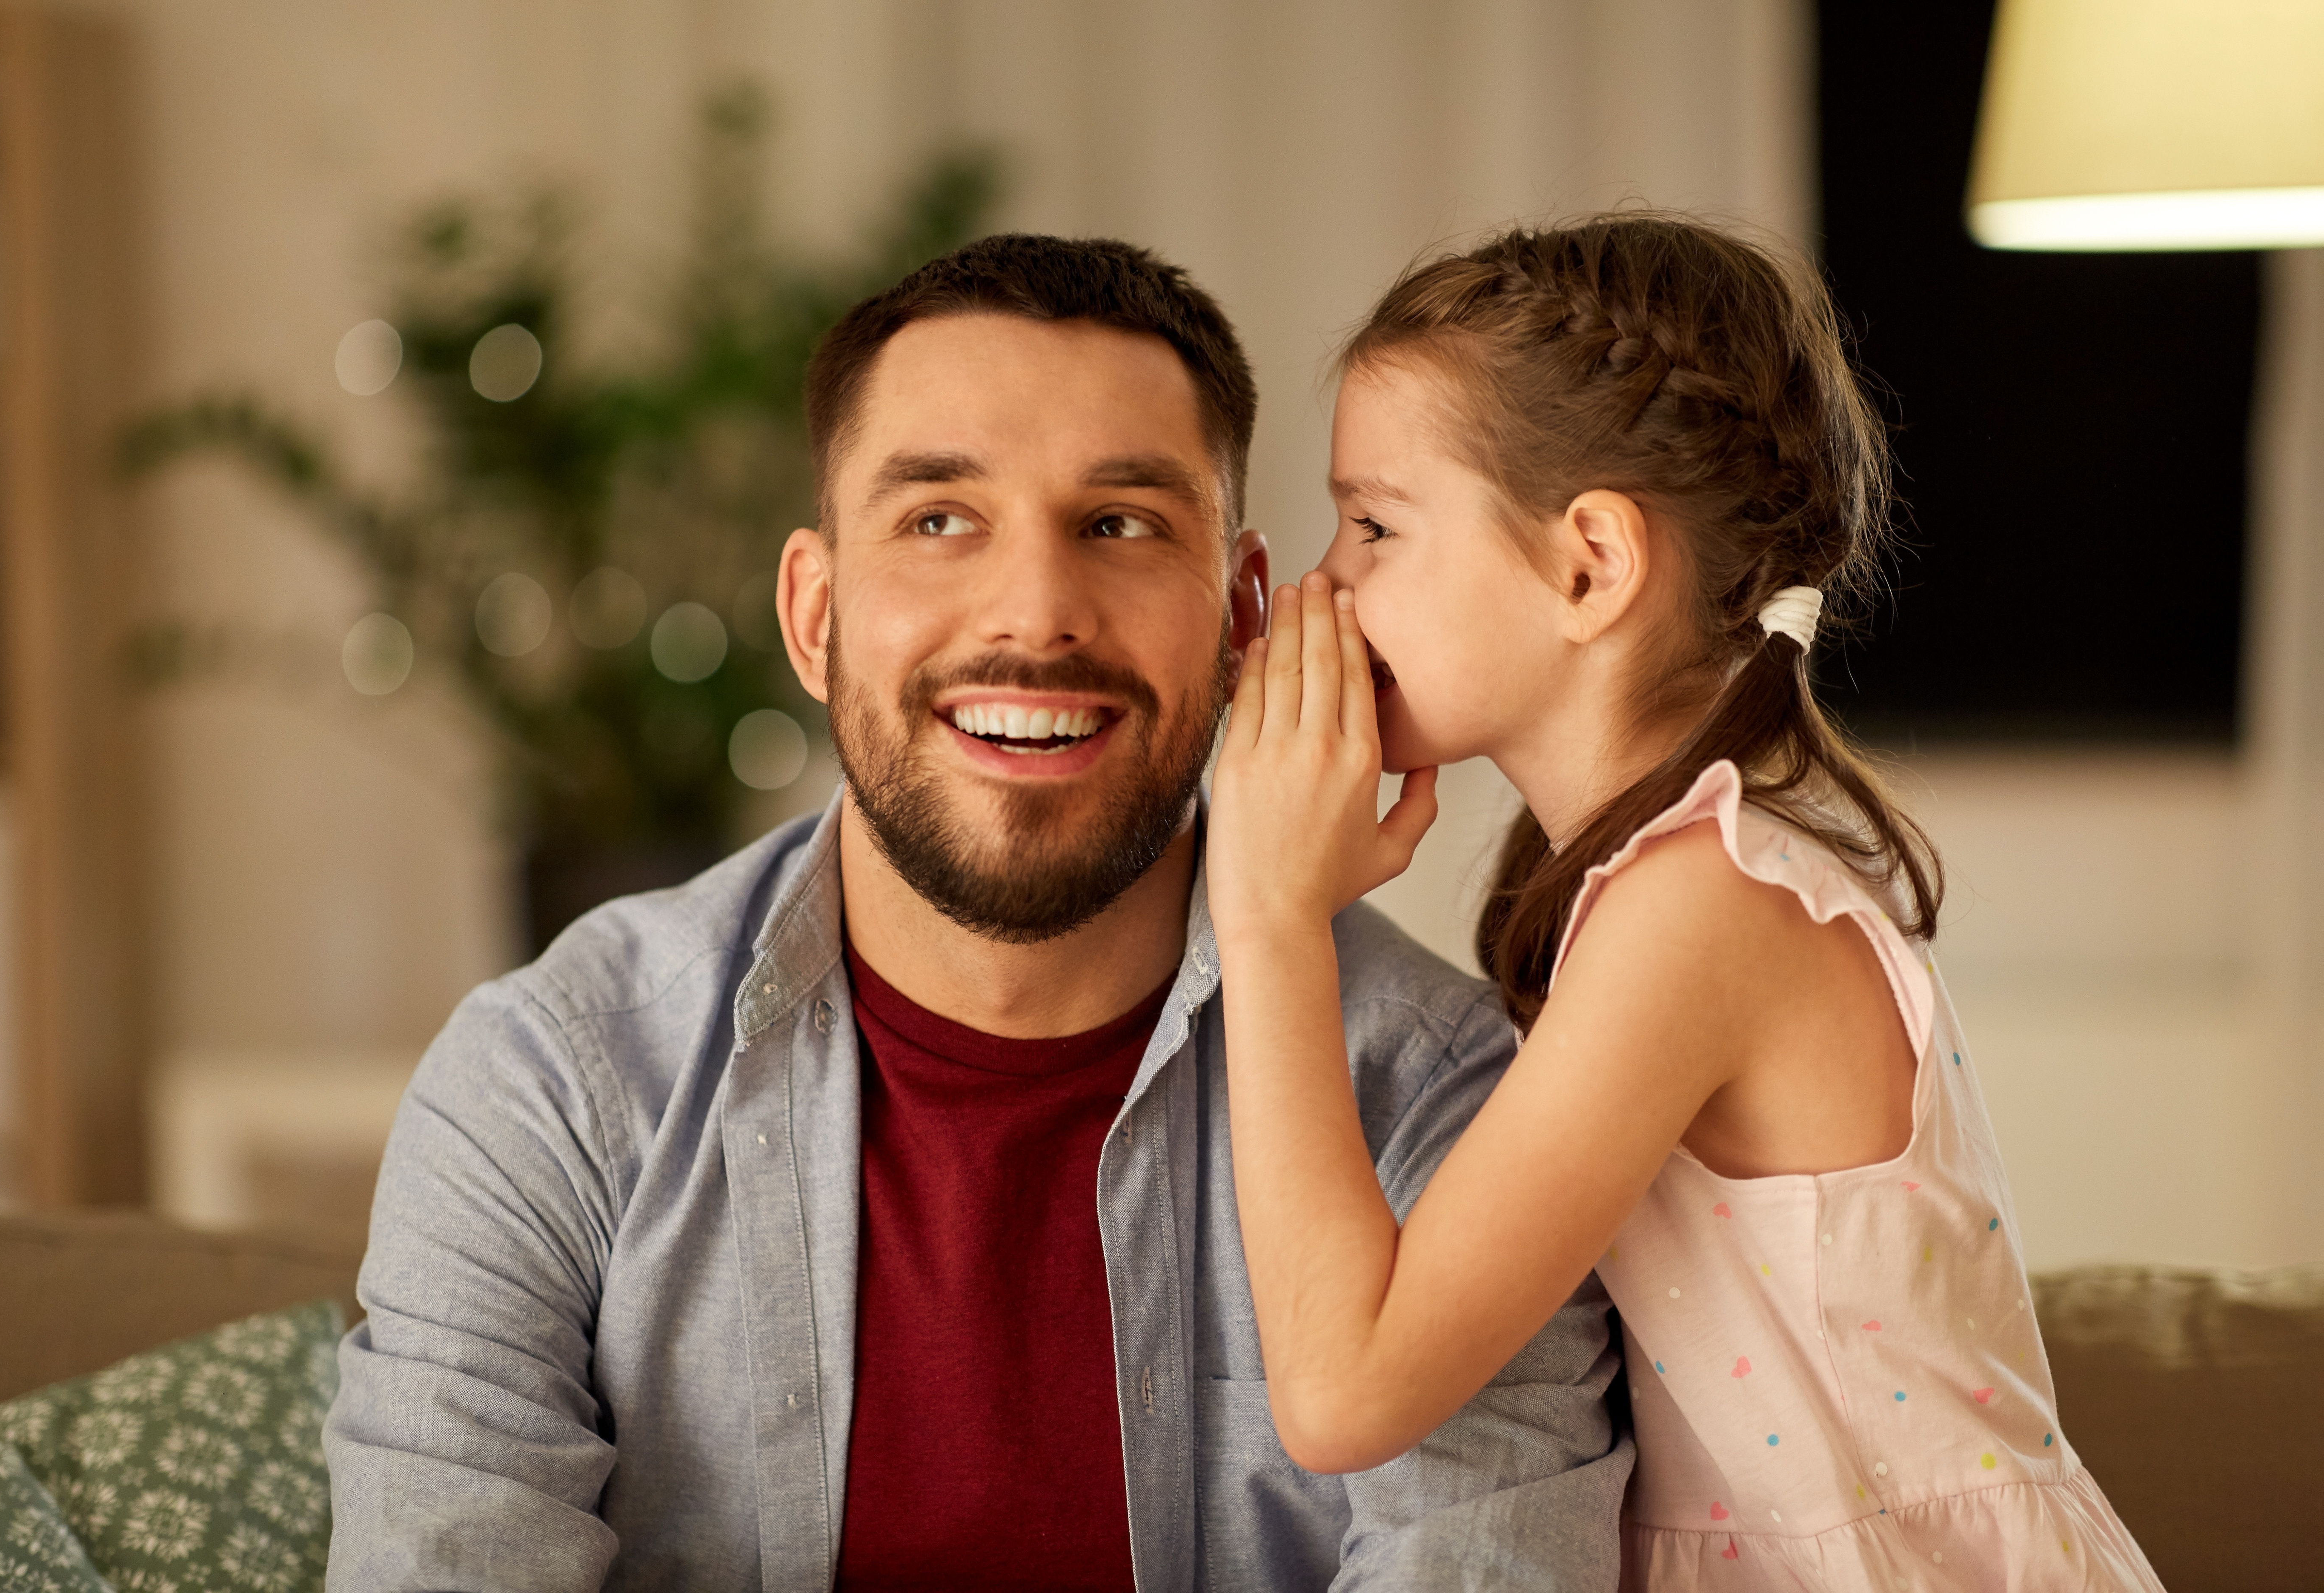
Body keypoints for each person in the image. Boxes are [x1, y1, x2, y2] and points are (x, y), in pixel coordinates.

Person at [323, 233, 1631, 1592]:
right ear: (814, 613)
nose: (1036, 612)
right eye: (939, 519)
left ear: (1245, 614)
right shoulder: (551, 1086)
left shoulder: (1449, 1111)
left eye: (1121, 525)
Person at [1205, 216, 2163, 1589]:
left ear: (1590, 565)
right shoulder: (1663, 881)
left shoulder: (1698, 907)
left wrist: (1272, 919)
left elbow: (1347, 1389)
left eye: (1374, 523)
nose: (1325, 584)